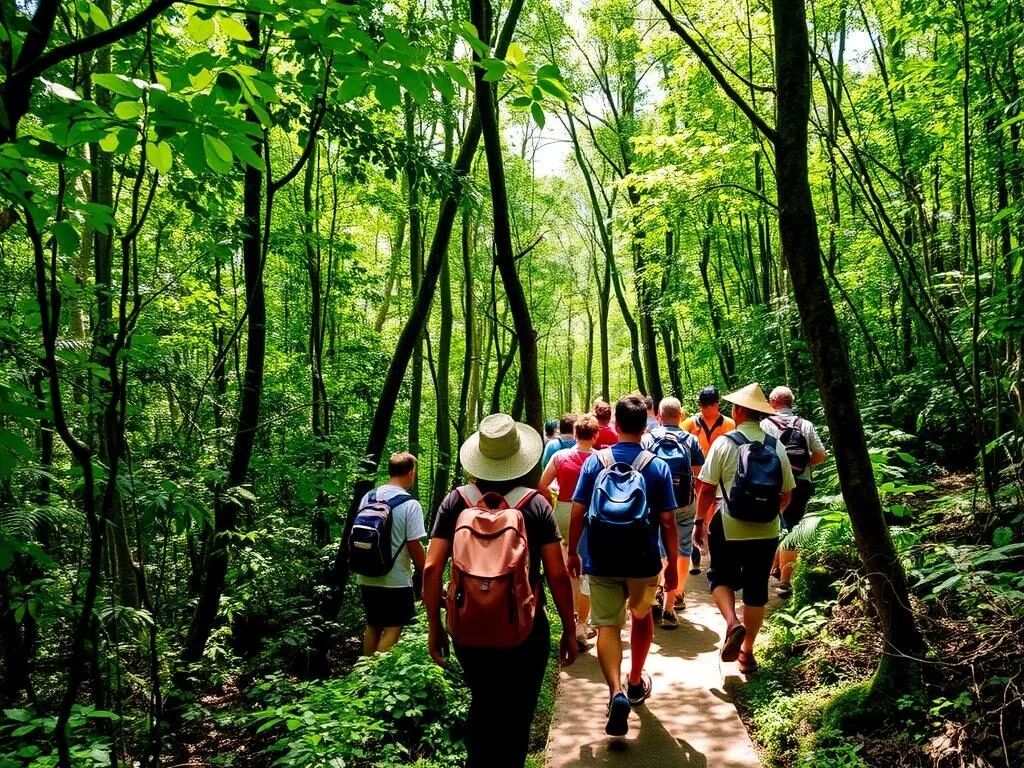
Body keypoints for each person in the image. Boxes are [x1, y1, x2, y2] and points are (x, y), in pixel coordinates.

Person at [424, 414, 577, 768]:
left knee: (483, 702)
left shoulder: (456, 501)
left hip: (468, 625)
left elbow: (432, 567)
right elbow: (555, 573)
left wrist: (436, 626)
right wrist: (569, 630)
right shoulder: (535, 505)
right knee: (517, 714)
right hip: (524, 628)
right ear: (520, 458)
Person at [568, 395, 678, 737]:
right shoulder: (656, 465)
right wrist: (672, 564)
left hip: (600, 558)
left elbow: (577, 511)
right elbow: (669, 522)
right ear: (646, 425)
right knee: (642, 616)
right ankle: (633, 683)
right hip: (643, 561)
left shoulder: (594, 462)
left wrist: (573, 551)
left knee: (607, 627)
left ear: (614, 425)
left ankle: (614, 690)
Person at [693, 383, 795, 675]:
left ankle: (731, 623)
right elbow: (788, 493)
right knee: (756, 591)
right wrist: (771, 514)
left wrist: (700, 523)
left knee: (720, 577)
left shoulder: (724, 443)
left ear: (738, 411)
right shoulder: (776, 446)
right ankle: (747, 654)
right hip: (766, 530)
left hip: (728, 525)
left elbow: (706, 489)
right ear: (760, 415)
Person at [355, 452, 427, 655]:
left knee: (373, 625)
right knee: (393, 628)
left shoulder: (368, 497)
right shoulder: (410, 505)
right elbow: (414, 546)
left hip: (366, 575)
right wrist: (428, 571)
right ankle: (375, 678)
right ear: (411, 473)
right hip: (396, 579)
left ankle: (364, 675)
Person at [642, 397, 704, 628]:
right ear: (681, 415)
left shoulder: (648, 438)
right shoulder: (691, 440)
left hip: (654, 502)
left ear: (658, 415)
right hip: (684, 502)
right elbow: (698, 474)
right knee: (683, 549)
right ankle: (673, 602)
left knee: (658, 548)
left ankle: (655, 596)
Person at [539, 413, 599, 650]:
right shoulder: (601, 459)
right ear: (595, 435)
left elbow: (542, 485)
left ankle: (572, 619)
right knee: (589, 567)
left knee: (571, 566)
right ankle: (582, 623)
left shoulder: (559, 456)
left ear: (575, 434)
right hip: (592, 513)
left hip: (564, 510)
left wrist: (551, 500)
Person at [761, 386, 828, 597]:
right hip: (801, 482)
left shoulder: (765, 424)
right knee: (792, 525)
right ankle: (779, 569)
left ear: (772, 402)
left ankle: (784, 581)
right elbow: (820, 454)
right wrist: (804, 465)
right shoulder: (805, 424)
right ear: (791, 402)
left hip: (773, 483)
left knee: (777, 524)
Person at [682, 386, 735, 574]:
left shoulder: (729, 424)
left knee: (715, 520)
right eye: (703, 405)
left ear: (717, 404)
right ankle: (695, 559)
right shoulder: (689, 424)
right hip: (696, 479)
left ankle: (715, 560)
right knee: (697, 518)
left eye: (709, 405)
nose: (706, 409)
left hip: (720, 479)